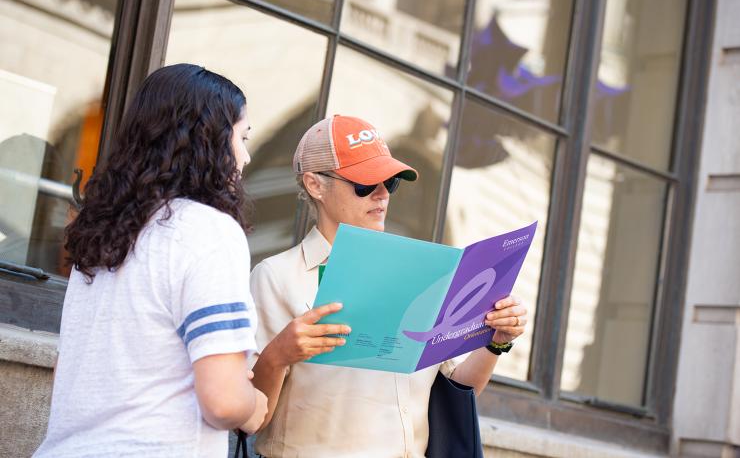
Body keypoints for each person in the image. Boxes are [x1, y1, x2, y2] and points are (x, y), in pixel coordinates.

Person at [249, 115, 528, 457]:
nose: (382, 195)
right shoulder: (276, 277)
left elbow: (456, 391)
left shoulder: (422, 274)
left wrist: (495, 342)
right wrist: (278, 356)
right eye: (365, 185)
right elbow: (251, 419)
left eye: (390, 183)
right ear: (315, 185)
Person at [34, 64, 267, 457]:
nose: (244, 157)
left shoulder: (102, 234)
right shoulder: (208, 231)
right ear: (207, 140)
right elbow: (224, 401)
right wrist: (254, 405)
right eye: (241, 137)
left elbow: (67, 371)